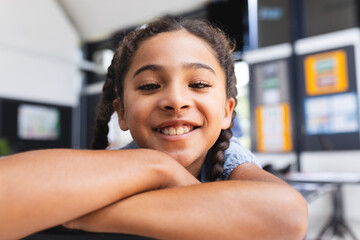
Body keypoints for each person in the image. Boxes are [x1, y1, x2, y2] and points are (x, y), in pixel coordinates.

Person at [0, 17, 307, 240]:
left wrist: (77, 212)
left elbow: (287, 216)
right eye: (149, 86)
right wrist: (155, 165)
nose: (175, 100)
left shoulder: (231, 162)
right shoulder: (123, 160)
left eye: (198, 84)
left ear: (227, 112)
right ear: (122, 112)